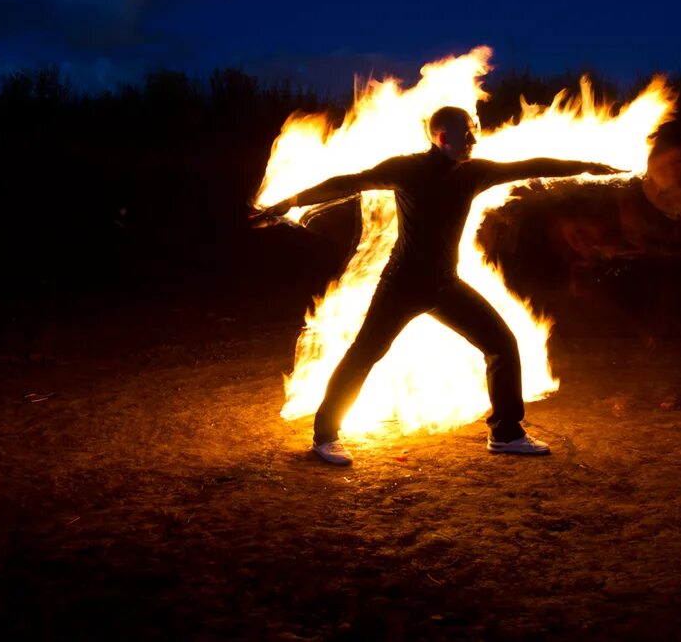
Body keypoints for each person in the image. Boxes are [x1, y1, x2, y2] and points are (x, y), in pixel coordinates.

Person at [255, 107, 622, 465]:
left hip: (446, 285)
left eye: (474, 131)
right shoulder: (407, 169)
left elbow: (530, 165)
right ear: (443, 137)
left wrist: (590, 167)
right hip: (403, 284)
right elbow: (348, 183)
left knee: (502, 345)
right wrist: (289, 203)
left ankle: (506, 433)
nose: (474, 139)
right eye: (467, 134)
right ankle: (325, 437)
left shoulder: (473, 173)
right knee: (364, 354)